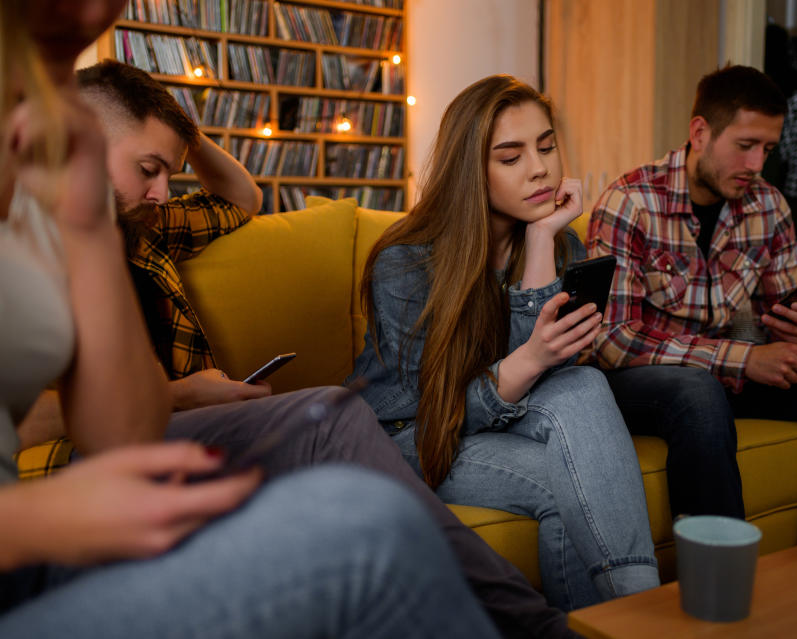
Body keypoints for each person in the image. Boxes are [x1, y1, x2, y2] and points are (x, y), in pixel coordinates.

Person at [14, 58, 577, 637]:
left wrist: (178, 130)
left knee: (336, 422)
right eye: (149, 168)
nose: (162, 190)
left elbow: (241, 196)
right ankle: (534, 626)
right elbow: (32, 418)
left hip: (167, 424)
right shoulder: (26, 243)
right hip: (92, 453)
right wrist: (181, 393)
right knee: (329, 419)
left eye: (169, 172)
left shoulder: (140, 227)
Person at [351, 74, 659, 612]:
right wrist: (537, 354)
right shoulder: (406, 261)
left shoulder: (559, 241)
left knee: (581, 405)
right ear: (472, 169)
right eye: (511, 157)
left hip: (500, 415)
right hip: (409, 437)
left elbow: (557, 377)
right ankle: (640, 618)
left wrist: (541, 241)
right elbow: (440, 412)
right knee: (577, 476)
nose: (540, 168)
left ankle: (618, 619)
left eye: (546, 146)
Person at [586, 65, 797, 537]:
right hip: (642, 383)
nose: (758, 164)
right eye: (745, 146)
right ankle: (720, 576)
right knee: (697, 391)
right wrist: (743, 359)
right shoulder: (630, 202)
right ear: (700, 132)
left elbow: (780, 316)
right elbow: (611, 341)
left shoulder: (769, 207)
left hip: (725, 377)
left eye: (768, 149)